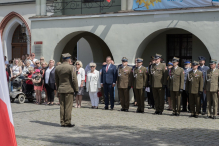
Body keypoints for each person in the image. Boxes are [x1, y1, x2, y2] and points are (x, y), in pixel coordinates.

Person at [55, 53, 78, 127]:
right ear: (69, 60)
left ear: (62, 59)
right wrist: (76, 89)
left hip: (61, 88)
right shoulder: (71, 67)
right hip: (69, 89)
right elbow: (74, 79)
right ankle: (67, 122)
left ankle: (62, 122)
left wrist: (58, 88)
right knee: (68, 106)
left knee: (62, 106)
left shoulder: (57, 68)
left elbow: (57, 80)